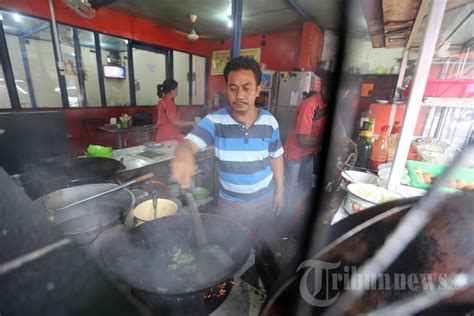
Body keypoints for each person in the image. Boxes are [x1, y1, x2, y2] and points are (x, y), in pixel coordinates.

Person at [170, 56, 285, 230]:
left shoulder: (270, 122)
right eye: (233, 88)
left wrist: (280, 191)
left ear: (258, 90)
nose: (239, 96)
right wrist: (183, 156)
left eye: (247, 88)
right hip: (229, 205)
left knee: (263, 248)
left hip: (264, 201)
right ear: (227, 90)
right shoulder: (215, 121)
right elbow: (188, 143)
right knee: (231, 251)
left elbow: (276, 158)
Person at [283, 77, 327, 216]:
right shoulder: (309, 105)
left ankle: (297, 215)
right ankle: (285, 217)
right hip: (294, 154)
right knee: (290, 188)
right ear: (325, 89)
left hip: (308, 154)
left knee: (305, 186)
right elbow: (302, 140)